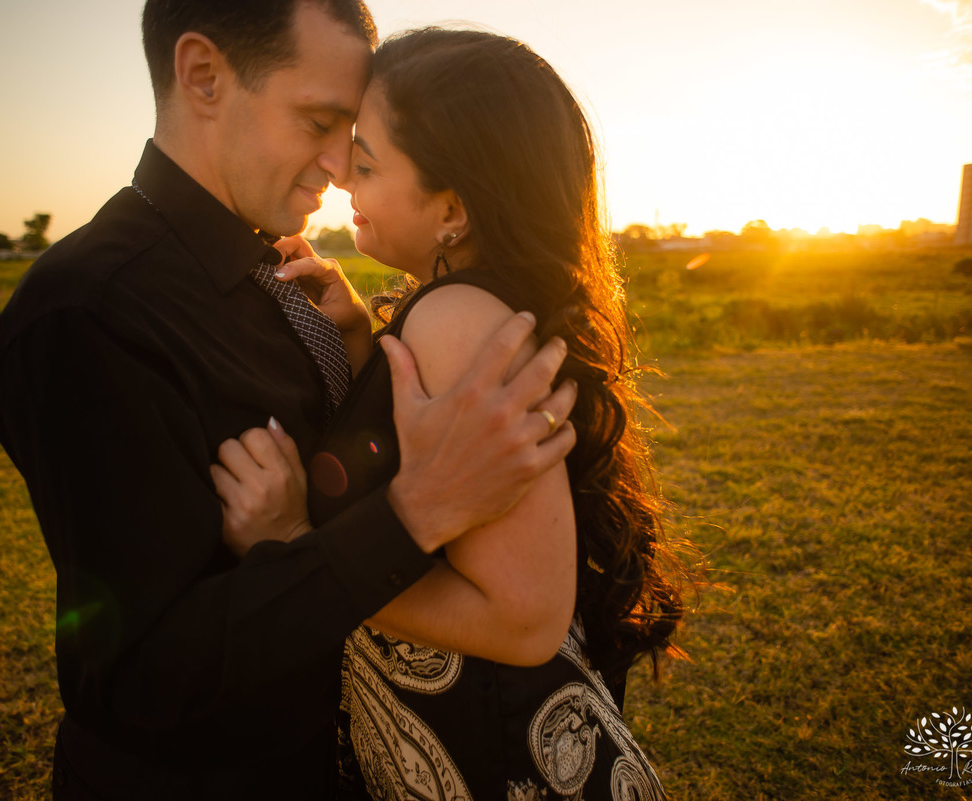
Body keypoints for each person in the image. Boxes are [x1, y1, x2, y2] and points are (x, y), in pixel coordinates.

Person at [0, 2, 578, 798]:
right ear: (202, 76)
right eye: (320, 121)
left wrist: (366, 351)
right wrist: (410, 517)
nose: (339, 164)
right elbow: (142, 674)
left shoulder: (286, 277)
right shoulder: (88, 314)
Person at [214, 27, 692, 801]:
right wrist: (365, 348)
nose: (339, 176)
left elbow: (524, 618)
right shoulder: (458, 312)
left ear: (452, 210)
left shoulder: (456, 318)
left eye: (365, 161)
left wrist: (296, 548)